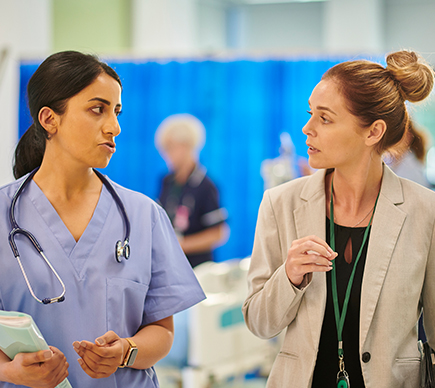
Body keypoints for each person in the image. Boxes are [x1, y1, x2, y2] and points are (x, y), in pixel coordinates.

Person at [0, 51, 205, 388]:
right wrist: (10, 371)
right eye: (98, 109)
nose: (115, 127)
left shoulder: (143, 215)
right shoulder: (4, 214)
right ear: (50, 119)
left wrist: (127, 350)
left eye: (116, 111)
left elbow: (163, 332)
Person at [242, 50, 435, 388]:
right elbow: (259, 322)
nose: (307, 128)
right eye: (309, 114)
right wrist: (288, 277)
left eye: (325, 118)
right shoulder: (280, 203)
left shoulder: (425, 211)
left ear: (373, 132)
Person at [155, 114, 228, 268]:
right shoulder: (167, 181)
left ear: (187, 146)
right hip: (169, 266)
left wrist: (181, 245)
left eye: (170, 147)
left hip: (197, 268)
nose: (166, 154)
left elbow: (219, 233)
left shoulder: (206, 186)